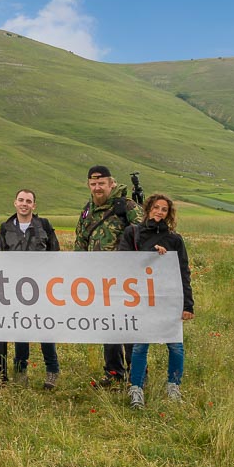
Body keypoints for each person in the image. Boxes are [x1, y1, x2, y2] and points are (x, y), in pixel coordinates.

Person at [119, 194, 194, 409]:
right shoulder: (132, 233)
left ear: (168, 214)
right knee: (141, 345)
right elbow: (122, 261)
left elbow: (183, 272)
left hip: (169, 298)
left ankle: (174, 387)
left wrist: (188, 304)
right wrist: (149, 254)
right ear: (147, 209)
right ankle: (136, 389)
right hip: (142, 298)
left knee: (176, 346)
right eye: (156, 208)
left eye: (164, 209)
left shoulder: (175, 239)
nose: (159, 212)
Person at [75, 165, 143, 387]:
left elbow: (145, 235)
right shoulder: (87, 211)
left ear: (111, 184)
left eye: (101, 183)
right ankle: (114, 373)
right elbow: (80, 242)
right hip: (98, 281)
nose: (97, 188)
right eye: (93, 184)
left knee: (129, 326)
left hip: (126, 281)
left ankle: (137, 374)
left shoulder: (127, 207)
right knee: (109, 326)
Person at [0, 189, 61, 389]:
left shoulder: (44, 226)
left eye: (29, 201)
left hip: (41, 287)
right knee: (20, 328)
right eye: (21, 200)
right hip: (15, 288)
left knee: (44, 328)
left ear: (34, 205)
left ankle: (52, 371)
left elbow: (55, 253)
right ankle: (20, 370)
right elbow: (0, 256)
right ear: (15, 203)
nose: (24, 204)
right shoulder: (5, 227)